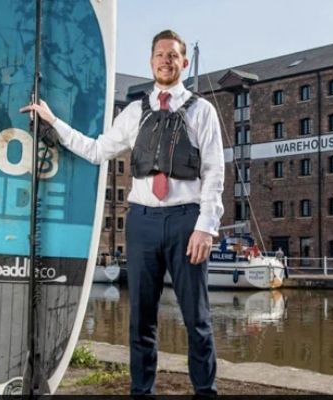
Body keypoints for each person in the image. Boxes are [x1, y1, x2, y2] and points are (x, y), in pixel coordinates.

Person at [21, 29, 224, 396]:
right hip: (142, 222)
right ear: (151, 61)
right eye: (160, 54)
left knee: (197, 319)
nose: (166, 60)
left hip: (185, 223)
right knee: (140, 321)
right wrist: (54, 124)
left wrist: (206, 228)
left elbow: (214, 172)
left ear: (184, 62)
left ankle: (205, 392)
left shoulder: (202, 111)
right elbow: (98, 150)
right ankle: (141, 392)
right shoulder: (134, 112)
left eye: (173, 55)